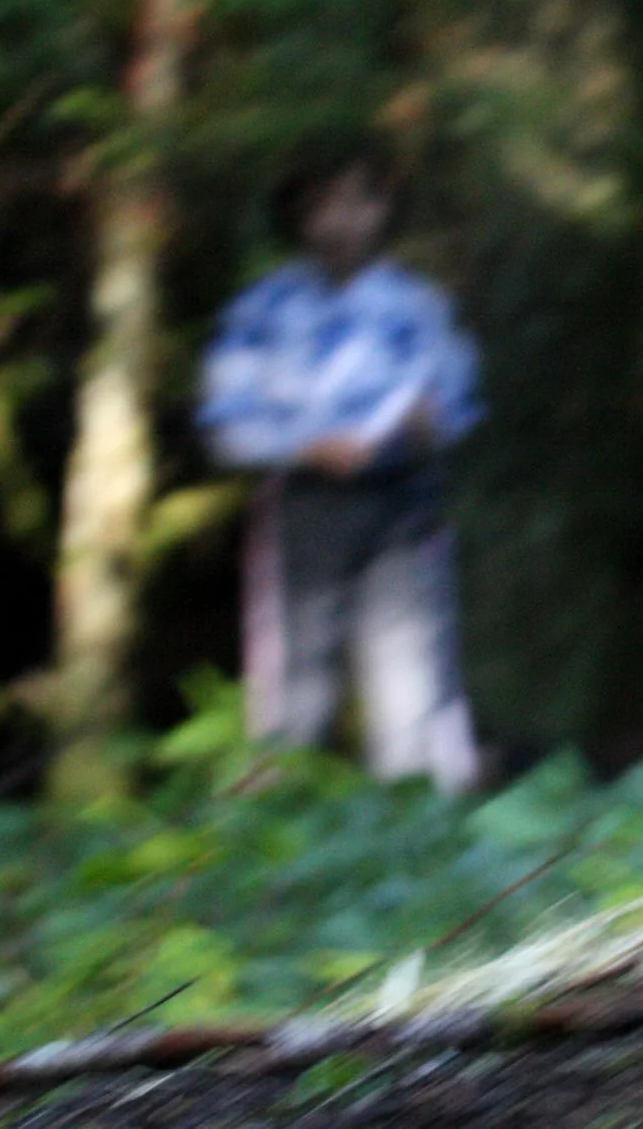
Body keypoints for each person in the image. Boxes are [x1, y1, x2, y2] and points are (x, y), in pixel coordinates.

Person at [198, 137, 484, 792]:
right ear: (297, 215)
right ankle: (282, 814)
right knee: (298, 671)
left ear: (383, 209)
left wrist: (429, 423)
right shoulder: (259, 312)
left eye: (357, 201)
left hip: (404, 502)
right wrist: (304, 447)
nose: (340, 219)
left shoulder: (419, 306)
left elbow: (459, 404)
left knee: (412, 668)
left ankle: (417, 816)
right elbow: (226, 427)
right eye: (322, 204)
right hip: (305, 503)